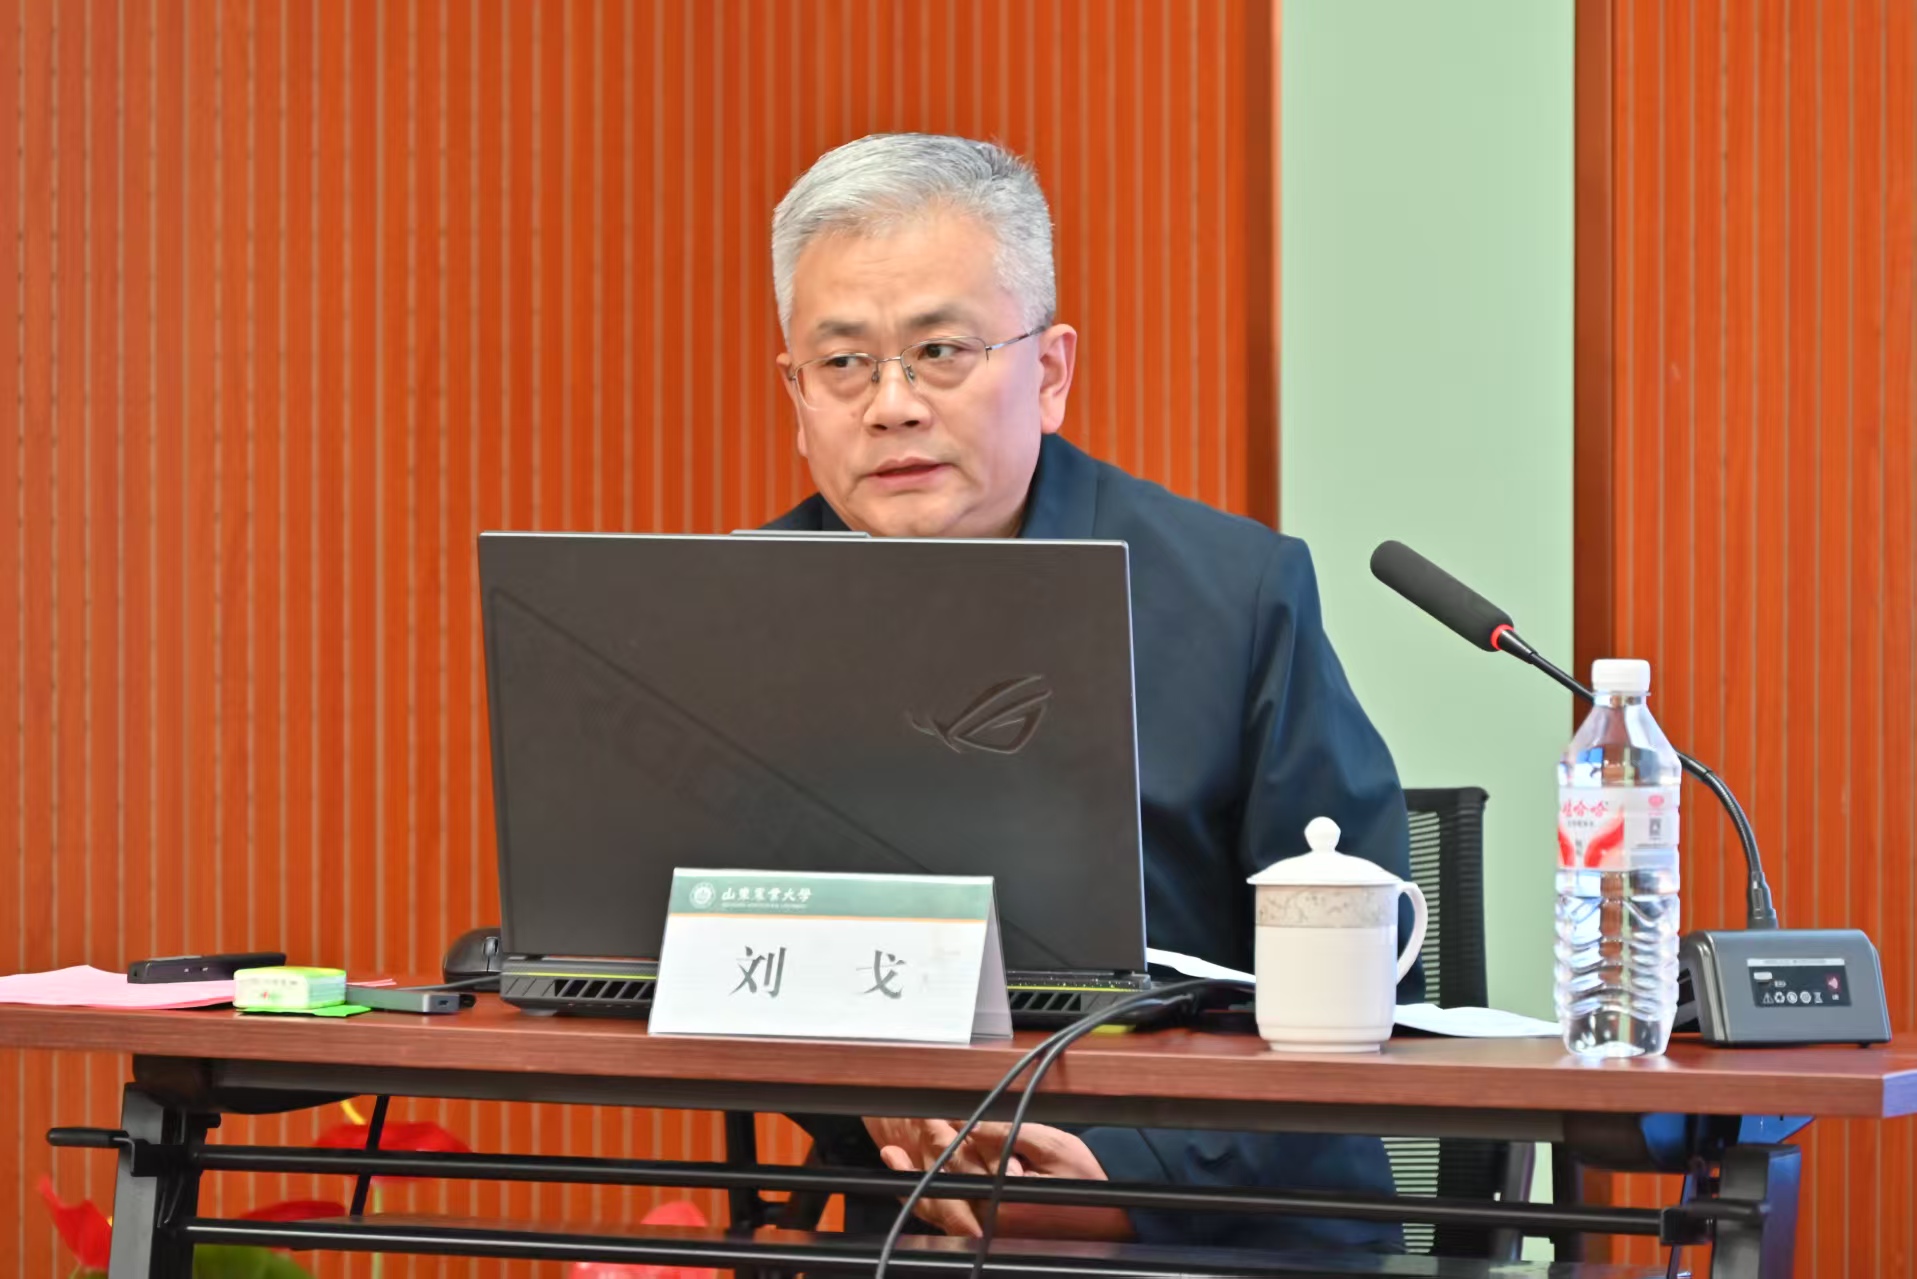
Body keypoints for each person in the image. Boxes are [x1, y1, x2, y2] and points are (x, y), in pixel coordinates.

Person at [764, 132, 1418, 1254]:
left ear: (1051, 373)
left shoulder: (1236, 594)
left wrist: (1128, 1183)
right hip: (910, 1219)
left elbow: (1366, 983)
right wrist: (883, 1114)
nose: (891, 405)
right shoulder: (745, 612)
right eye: (844, 364)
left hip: (1213, 1221)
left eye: (939, 351)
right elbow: (708, 960)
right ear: (797, 392)